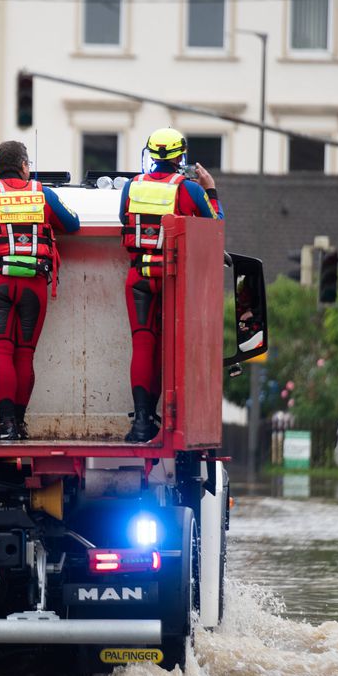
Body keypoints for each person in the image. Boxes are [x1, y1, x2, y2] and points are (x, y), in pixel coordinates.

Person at [0, 140, 80, 440]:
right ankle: (20, 423)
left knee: (0, 351)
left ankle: (6, 425)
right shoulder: (44, 194)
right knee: (25, 354)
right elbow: (72, 224)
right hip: (33, 283)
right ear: (24, 165)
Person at [119, 127, 224, 443]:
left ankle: (141, 423)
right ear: (181, 156)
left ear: (150, 154)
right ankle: (167, 422)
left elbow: (124, 219)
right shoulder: (189, 190)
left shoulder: (132, 186)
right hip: (172, 280)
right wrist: (211, 191)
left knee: (142, 345)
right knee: (172, 349)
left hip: (139, 276)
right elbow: (215, 227)